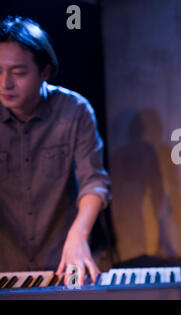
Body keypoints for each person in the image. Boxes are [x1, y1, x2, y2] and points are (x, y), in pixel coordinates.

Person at [0, 16, 111, 285]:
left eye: (18, 72)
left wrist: (79, 236)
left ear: (45, 72)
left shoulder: (75, 110)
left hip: (64, 262)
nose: (5, 83)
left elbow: (94, 181)